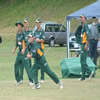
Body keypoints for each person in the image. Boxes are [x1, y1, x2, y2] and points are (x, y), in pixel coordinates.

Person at [79, 14, 94, 81]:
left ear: (85, 18)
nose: (81, 19)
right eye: (80, 18)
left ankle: (90, 72)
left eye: (82, 17)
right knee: (82, 60)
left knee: (83, 61)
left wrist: (86, 45)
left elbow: (88, 36)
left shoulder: (85, 25)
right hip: (82, 44)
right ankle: (83, 77)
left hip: (85, 44)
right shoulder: (83, 26)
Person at [21, 18, 34, 86]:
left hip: (29, 50)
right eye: (24, 23)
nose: (25, 24)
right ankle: (30, 80)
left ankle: (32, 80)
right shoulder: (23, 32)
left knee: (30, 66)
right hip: (24, 50)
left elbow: (31, 40)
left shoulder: (30, 31)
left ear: (28, 23)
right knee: (26, 66)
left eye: (26, 22)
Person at [12, 21, 25, 85]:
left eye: (19, 25)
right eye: (17, 25)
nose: (18, 26)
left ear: (21, 26)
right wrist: (14, 49)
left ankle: (32, 81)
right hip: (19, 52)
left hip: (24, 52)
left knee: (27, 67)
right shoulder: (17, 34)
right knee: (16, 65)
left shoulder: (24, 33)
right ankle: (18, 80)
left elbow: (27, 42)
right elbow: (17, 43)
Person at [33, 18, 45, 83]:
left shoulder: (42, 31)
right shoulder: (35, 31)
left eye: (38, 23)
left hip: (41, 49)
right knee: (35, 63)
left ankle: (42, 78)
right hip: (36, 50)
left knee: (42, 63)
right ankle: (36, 79)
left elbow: (43, 40)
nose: (37, 24)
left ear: (40, 23)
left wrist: (38, 40)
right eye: (36, 23)